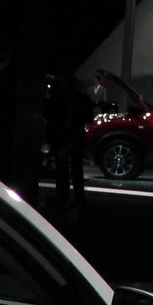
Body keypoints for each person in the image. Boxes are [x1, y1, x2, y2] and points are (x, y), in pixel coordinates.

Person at [45, 75, 90, 210]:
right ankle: (76, 196)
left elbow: (51, 117)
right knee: (75, 168)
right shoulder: (82, 99)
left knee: (63, 168)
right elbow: (88, 117)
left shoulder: (60, 98)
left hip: (65, 137)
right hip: (73, 137)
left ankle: (64, 195)